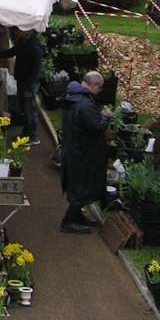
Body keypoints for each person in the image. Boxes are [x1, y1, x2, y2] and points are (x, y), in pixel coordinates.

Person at [60, 71, 112, 234]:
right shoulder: (84, 104)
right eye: (100, 88)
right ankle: (68, 221)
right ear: (94, 85)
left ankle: (77, 217)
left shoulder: (73, 96)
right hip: (82, 152)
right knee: (81, 186)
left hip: (74, 147)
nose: (100, 92)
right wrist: (105, 116)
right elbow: (96, 126)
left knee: (78, 184)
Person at [0, 28, 43, 145]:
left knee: (29, 109)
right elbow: (14, 51)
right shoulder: (23, 42)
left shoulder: (33, 46)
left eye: (20, 30)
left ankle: (33, 136)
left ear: (27, 31)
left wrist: (30, 86)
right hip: (22, 81)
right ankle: (27, 133)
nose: (17, 32)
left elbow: (35, 70)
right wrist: (0, 55)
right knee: (25, 108)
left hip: (28, 83)